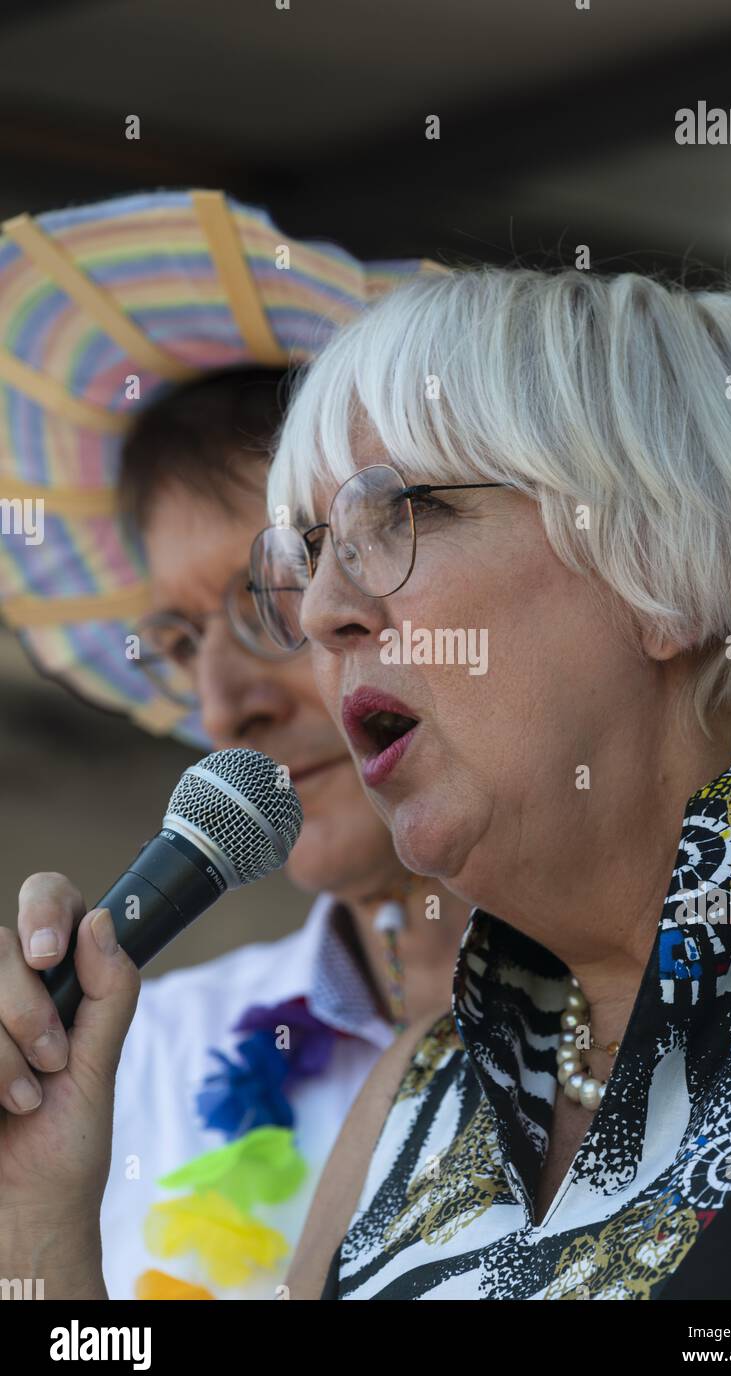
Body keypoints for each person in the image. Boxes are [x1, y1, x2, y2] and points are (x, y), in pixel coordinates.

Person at [251, 265, 731, 1300]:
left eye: (403, 512)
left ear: (674, 557)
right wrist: (37, 1207)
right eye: (308, 554)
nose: (320, 612)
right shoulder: (413, 1096)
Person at [0, 191, 466, 1300]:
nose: (221, 704)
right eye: (175, 639)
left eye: (274, 595)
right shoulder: (140, 1056)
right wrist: (29, 1241)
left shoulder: (683, 1002)